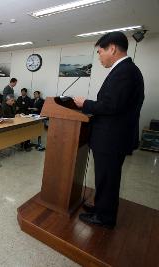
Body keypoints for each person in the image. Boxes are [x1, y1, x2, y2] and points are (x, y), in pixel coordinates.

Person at [73, 31, 144, 229]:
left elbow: (111, 106)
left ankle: (105, 217)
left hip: (112, 139)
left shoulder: (125, 72)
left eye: (100, 51)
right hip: (111, 137)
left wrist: (84, 103)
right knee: (105, 177)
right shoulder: (125, 70)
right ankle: (100, 208)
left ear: (112, 48)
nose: (99, 56)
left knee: (108, 178)